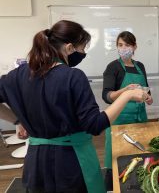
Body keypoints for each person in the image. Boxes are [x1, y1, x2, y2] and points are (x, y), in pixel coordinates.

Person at [0, 20, 147, 193]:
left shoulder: (20, 74)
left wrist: (17, 120)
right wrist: (128, 94)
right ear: (69, 48)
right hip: (70, 162)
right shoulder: (73, 77)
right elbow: (95, 125)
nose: (83, 53)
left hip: (36, 161)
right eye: (83, 49)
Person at [102, 31, 153, 170]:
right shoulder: (113, 67)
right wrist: (124, 91)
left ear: (134, 47)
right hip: (119, 121)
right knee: (119, 161)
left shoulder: (140, 66)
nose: (123, 48)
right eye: (120, 45)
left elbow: (148, 92)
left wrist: (148, 97)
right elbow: (106, 96)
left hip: (140, 119)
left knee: (140, 158)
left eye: (127, 45)